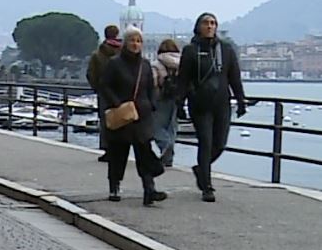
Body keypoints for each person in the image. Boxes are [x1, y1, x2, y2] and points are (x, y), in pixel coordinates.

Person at [178, 12, 246, 203]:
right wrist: (180, 103)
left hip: (222, 103)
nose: (210, 26)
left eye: (213, 23)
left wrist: (241, 100)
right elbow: (183, 80)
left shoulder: (226, 50)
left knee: (220, 144)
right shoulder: (191, 51)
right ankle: (207, 186)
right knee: (206, 143)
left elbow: (234, 77)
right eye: (206, 23)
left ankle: (201, 169)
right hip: (200, 104)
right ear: (198, 26)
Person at [94, 27, 166, 205]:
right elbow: (105, 85)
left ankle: (149, 190)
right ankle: (114, 186)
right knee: (118, 152)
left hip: (141, 115)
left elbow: (151, 87)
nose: (135, 44)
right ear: (125, 43)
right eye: (132, 40)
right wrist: (117, 103)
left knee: (144, 153)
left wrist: (151, 104)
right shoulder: (114, 63)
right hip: (123, 114)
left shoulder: (145, 65)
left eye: (139, 41)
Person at [87, 24, 122, 162]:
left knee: (105, 121)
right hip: (121, 92)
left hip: (104, 93)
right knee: (121, 120)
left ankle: (108, 149)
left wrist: (97, 87)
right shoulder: (123, 52)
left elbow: (91, 74)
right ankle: (120, 149)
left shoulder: (97, 54)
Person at [150, 38, 183, 168]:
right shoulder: (182, 64)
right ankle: (168, 157)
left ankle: (166, 146)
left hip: (159, 98)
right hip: (176, 99)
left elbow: (152, 81)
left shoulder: (156, 64)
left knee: (156, 127)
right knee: (172, 127)